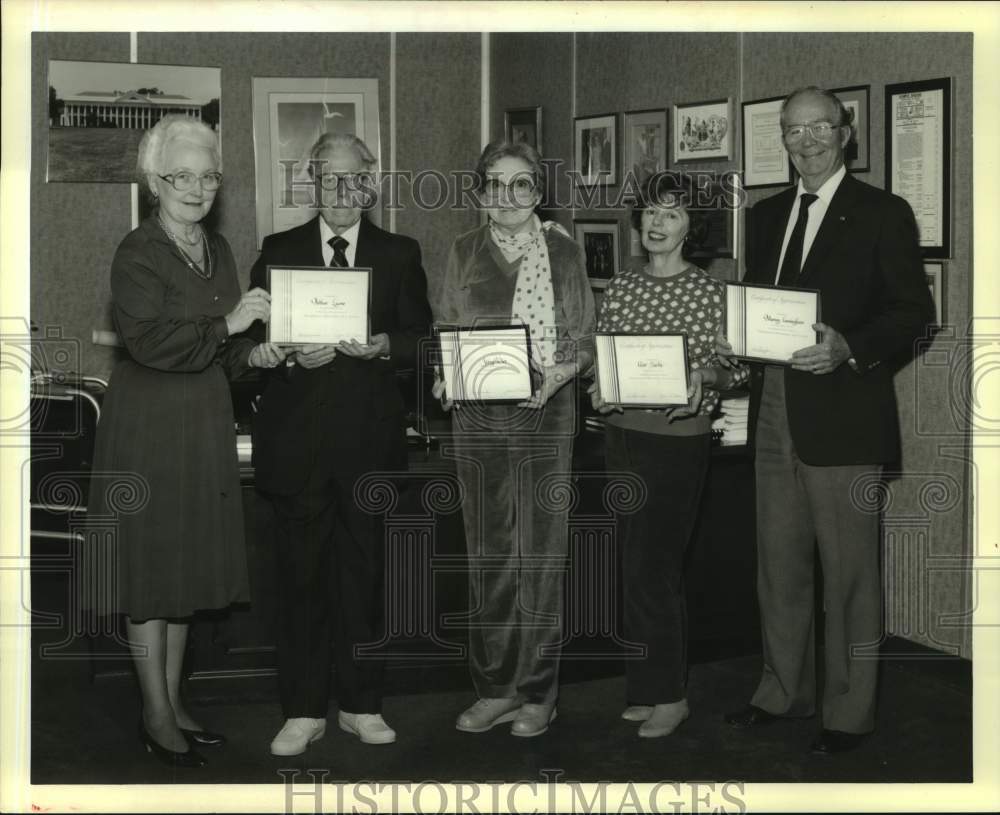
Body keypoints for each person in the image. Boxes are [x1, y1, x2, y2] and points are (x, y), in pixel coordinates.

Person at [719, 86, 934, 754]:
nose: (805, 141)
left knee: (848, 572)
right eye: (792, 130)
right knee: (778, 565)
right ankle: (783, 690)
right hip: (776, 406)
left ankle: (848, 711)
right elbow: (758, 303)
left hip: (844, 408)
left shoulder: (882, 212)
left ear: (847, 134)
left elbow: (913, 314)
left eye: (820, 128)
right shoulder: (765, 213)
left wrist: (849, 345)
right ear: (780, 139)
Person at [87, 114, 285, 768]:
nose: (196, 187)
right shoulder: (137, 252)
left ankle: (171, 701)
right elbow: (152, 343)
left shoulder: (219, 250)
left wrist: (256, 356)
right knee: (150, 575)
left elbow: (220, 355)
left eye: (207, 175)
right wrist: (230, 321)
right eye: (181, 175)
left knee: (183, 574)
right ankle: (152, 712)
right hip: (147, 428)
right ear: (153, 180)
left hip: (201, 425)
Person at [248, 133, 431, 756]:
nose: (345, 191)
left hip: (369, 447)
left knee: (365, 577)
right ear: (313, 184)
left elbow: (421, 339)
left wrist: (382, 345)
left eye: (356, 178)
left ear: (372, 182)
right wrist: (280, 356)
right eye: (331, 180)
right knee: (299, 580)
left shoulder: (399, 253)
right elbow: (251, 352)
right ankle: (301, 711)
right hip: (295, 445)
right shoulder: (278, 251)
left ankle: (361, 705)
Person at [432, 140, 596, 737]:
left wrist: (554, 377)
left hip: (546, 414)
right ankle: (494, 685)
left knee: (541, 557)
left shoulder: (564, 253)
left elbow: (581, 339)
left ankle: (537, 692)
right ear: (480, 192)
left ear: (537, 191)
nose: (508, 196)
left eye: (521, 183)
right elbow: (447, 326)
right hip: (477, 419)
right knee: (488, 554)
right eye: (496, 184)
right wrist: (444, 377)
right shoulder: (463, 250)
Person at [589, 172, 748, 738]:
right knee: (632, 565)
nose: (656, 224)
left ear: (691, 227)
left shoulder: (710, 292)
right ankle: (647, 686)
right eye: (650, 213)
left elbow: (735, 371)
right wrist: (599, 385)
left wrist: (701, 373)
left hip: (678, 442)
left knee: (657, 566)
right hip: (621, 436)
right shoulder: (622, 287)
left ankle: (671, 696)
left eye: (671, 215)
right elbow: (605, 360)